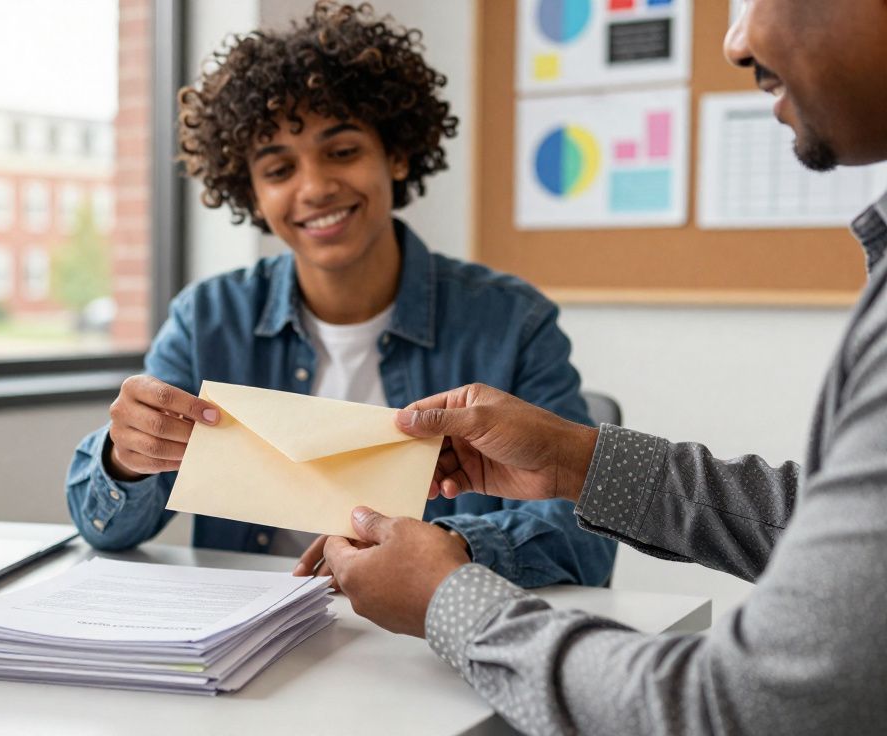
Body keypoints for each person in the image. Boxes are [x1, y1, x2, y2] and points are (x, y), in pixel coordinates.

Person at [321, 0, 887, 732]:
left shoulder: (510, 314)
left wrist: (445, 600)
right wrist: (575, 460)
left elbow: (740, 710)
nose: (735, 41)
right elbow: (830, 531)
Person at [64, 1, 616, 589]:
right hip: (256, 635)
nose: (316, 187)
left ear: (396, 154)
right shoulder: (206, 319)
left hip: (434, 632)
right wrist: (125, 458)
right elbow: (105, 528)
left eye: (343, 151)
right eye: (278, 170)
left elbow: (585, 537)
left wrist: (452, 550)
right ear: (251, 194)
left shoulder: (511, 322)